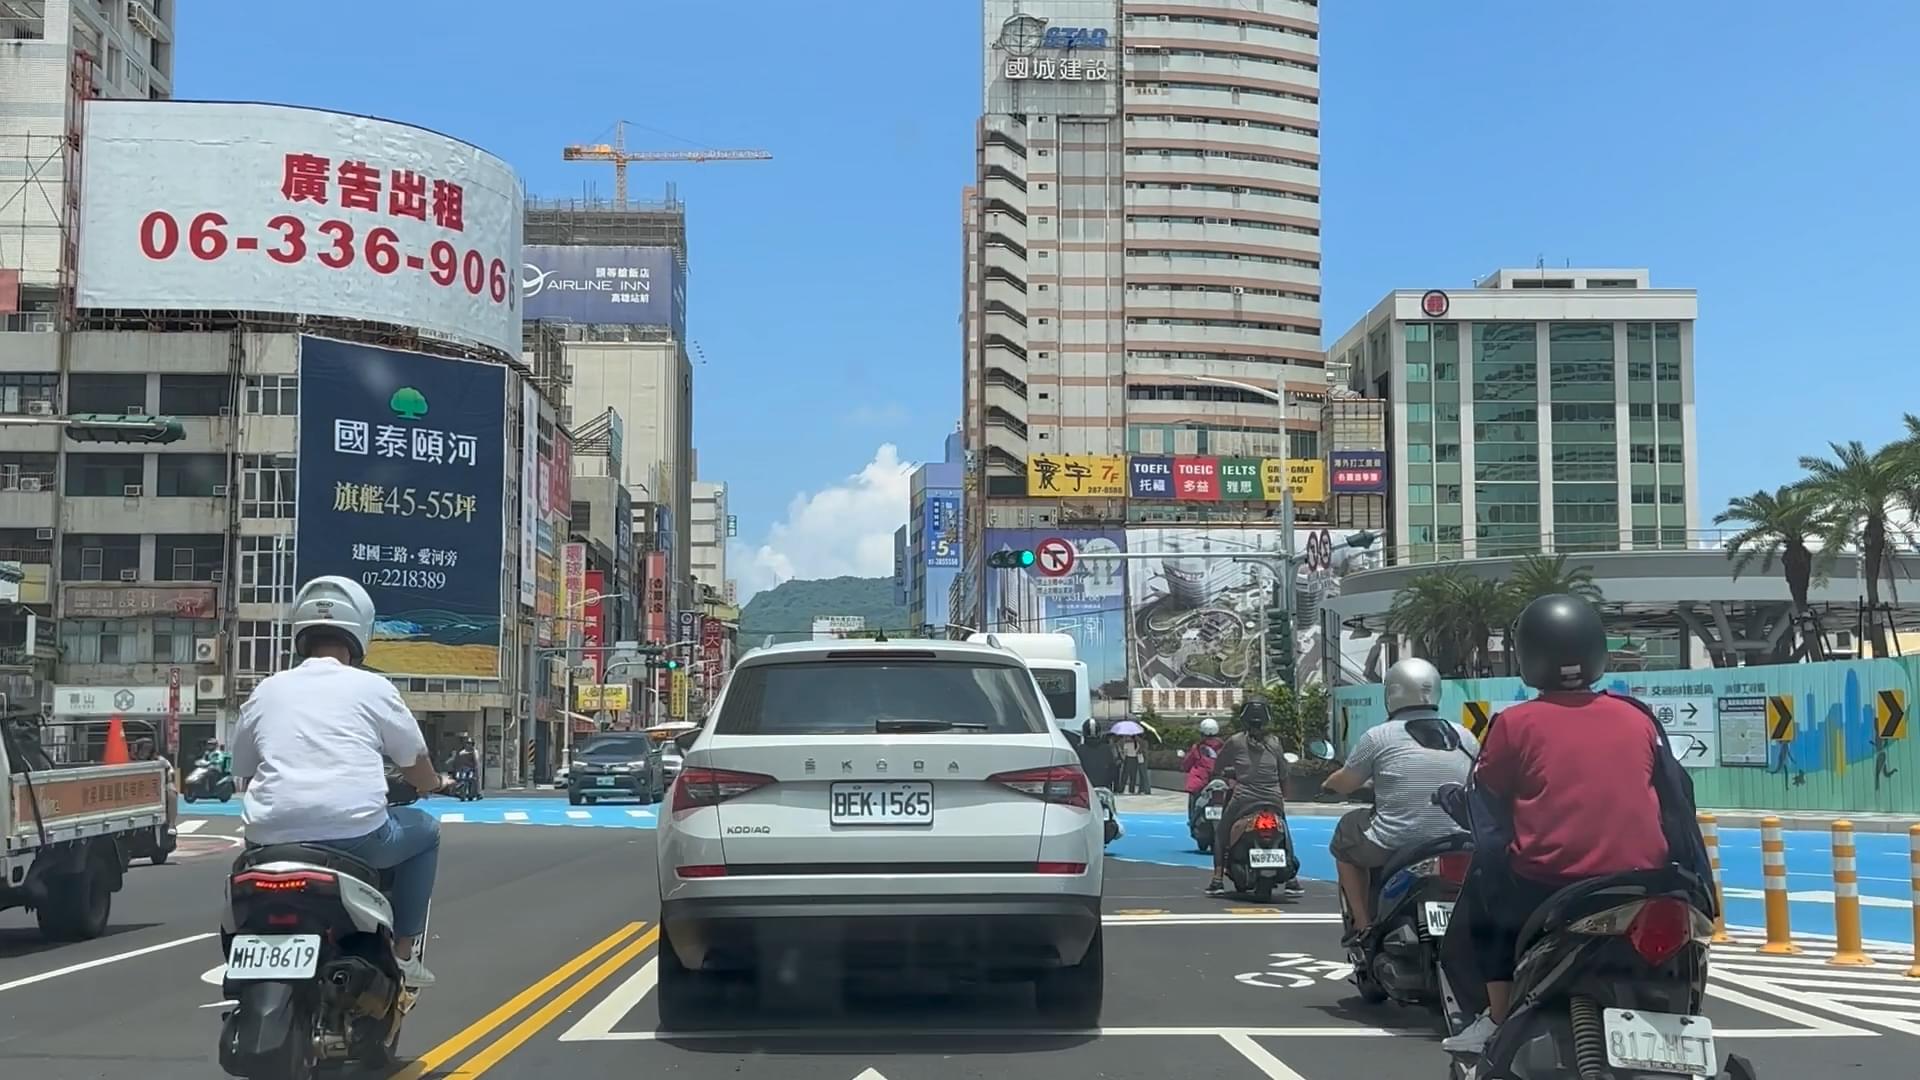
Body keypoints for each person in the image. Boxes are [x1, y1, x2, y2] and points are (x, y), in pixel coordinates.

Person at [1441, 594, 1672, 1054]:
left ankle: (1497, 1016)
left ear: (1529, 655)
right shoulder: (1638, 718)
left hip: (1549, 880)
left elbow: (1486, 795)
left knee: (1487, 891)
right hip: (1644, 880)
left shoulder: (1516, 723)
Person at [231, 575, 447, 988]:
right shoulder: (374, 687)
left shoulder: (266, 690)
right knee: (427, 831)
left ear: (301, 631)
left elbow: (242, 764)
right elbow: (415, 762)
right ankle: (404, 953)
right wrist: (432, 783)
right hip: (354, 837)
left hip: (267, 839)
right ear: (360, 632)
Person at [1321, 657, 1477, 939]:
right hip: (1458, 839)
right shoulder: (1465, 736)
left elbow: (1346, 782)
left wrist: (1327, 785)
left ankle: (1362, 924)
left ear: (1392, 692)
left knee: (1346, 833)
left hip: (1395, 841)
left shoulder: (1379, 736)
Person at [1205, 700, 1303, 897]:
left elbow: (1218, 765)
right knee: (1284, 830)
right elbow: (1284, 773)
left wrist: (1220, 774)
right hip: (1273, 799)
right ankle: (1292, 880)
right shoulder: (1275, 743)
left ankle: (1217, 879)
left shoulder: (1235, 741)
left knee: (1222, 833)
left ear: (1244, 720)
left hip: (1244, 799)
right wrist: (1283, 794)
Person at [1181, 718, 1224, 801]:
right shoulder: (1224, 747)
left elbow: (1187, 763)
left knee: (1194, 799)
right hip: (1220, 779)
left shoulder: (1197, 747)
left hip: (1199, 782)